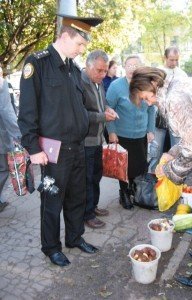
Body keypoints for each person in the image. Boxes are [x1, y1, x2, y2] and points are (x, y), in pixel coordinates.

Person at [18, 13, 103, 267]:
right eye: (79, 44)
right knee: (52, 202)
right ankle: (51, 247)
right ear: (65, 36)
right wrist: (33, 148)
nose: (81, 50)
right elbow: (27, 111)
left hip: (78, 147)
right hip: (52, 150)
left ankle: (75, 238)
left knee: (77, 197)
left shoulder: (73, 69)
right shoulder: (38, 64)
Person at [129, 66, 192, 287]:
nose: (147, 103)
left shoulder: (175, 98)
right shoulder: (176, 86)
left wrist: (171, 169)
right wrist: (171, 153)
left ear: (152, 85)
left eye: (145, 97)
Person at [106, 55, 156, 210]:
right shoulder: (116, 86)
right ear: (124, 67)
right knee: (124, 167)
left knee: (140, 166)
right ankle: (124, 193)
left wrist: (150, 130)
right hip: (122, 134)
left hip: (141, 134)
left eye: (136, 65)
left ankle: (135, 190)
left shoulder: (145, 85)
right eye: (129, 65)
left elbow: (151, 109)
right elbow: (108, 109)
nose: (132, 68)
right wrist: (111, 131)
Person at [81, 50, 117, 229]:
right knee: (86, 179)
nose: (103, 75)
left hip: (97, 140)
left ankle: (93, 206)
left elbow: (102, 105)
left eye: (105, 71)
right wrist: (103, 116)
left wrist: (108, 109)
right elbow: (80, 115)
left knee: (95, 176)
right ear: (88, 66)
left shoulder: (99, 82)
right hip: (85, 141)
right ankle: (86, 214)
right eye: (99, 70)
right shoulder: (79, 82)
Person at [0, 76, 21, 212]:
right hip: (1, 137)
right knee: (2, 169)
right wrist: (19, 136)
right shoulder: (1, 83)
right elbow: (6, 111)